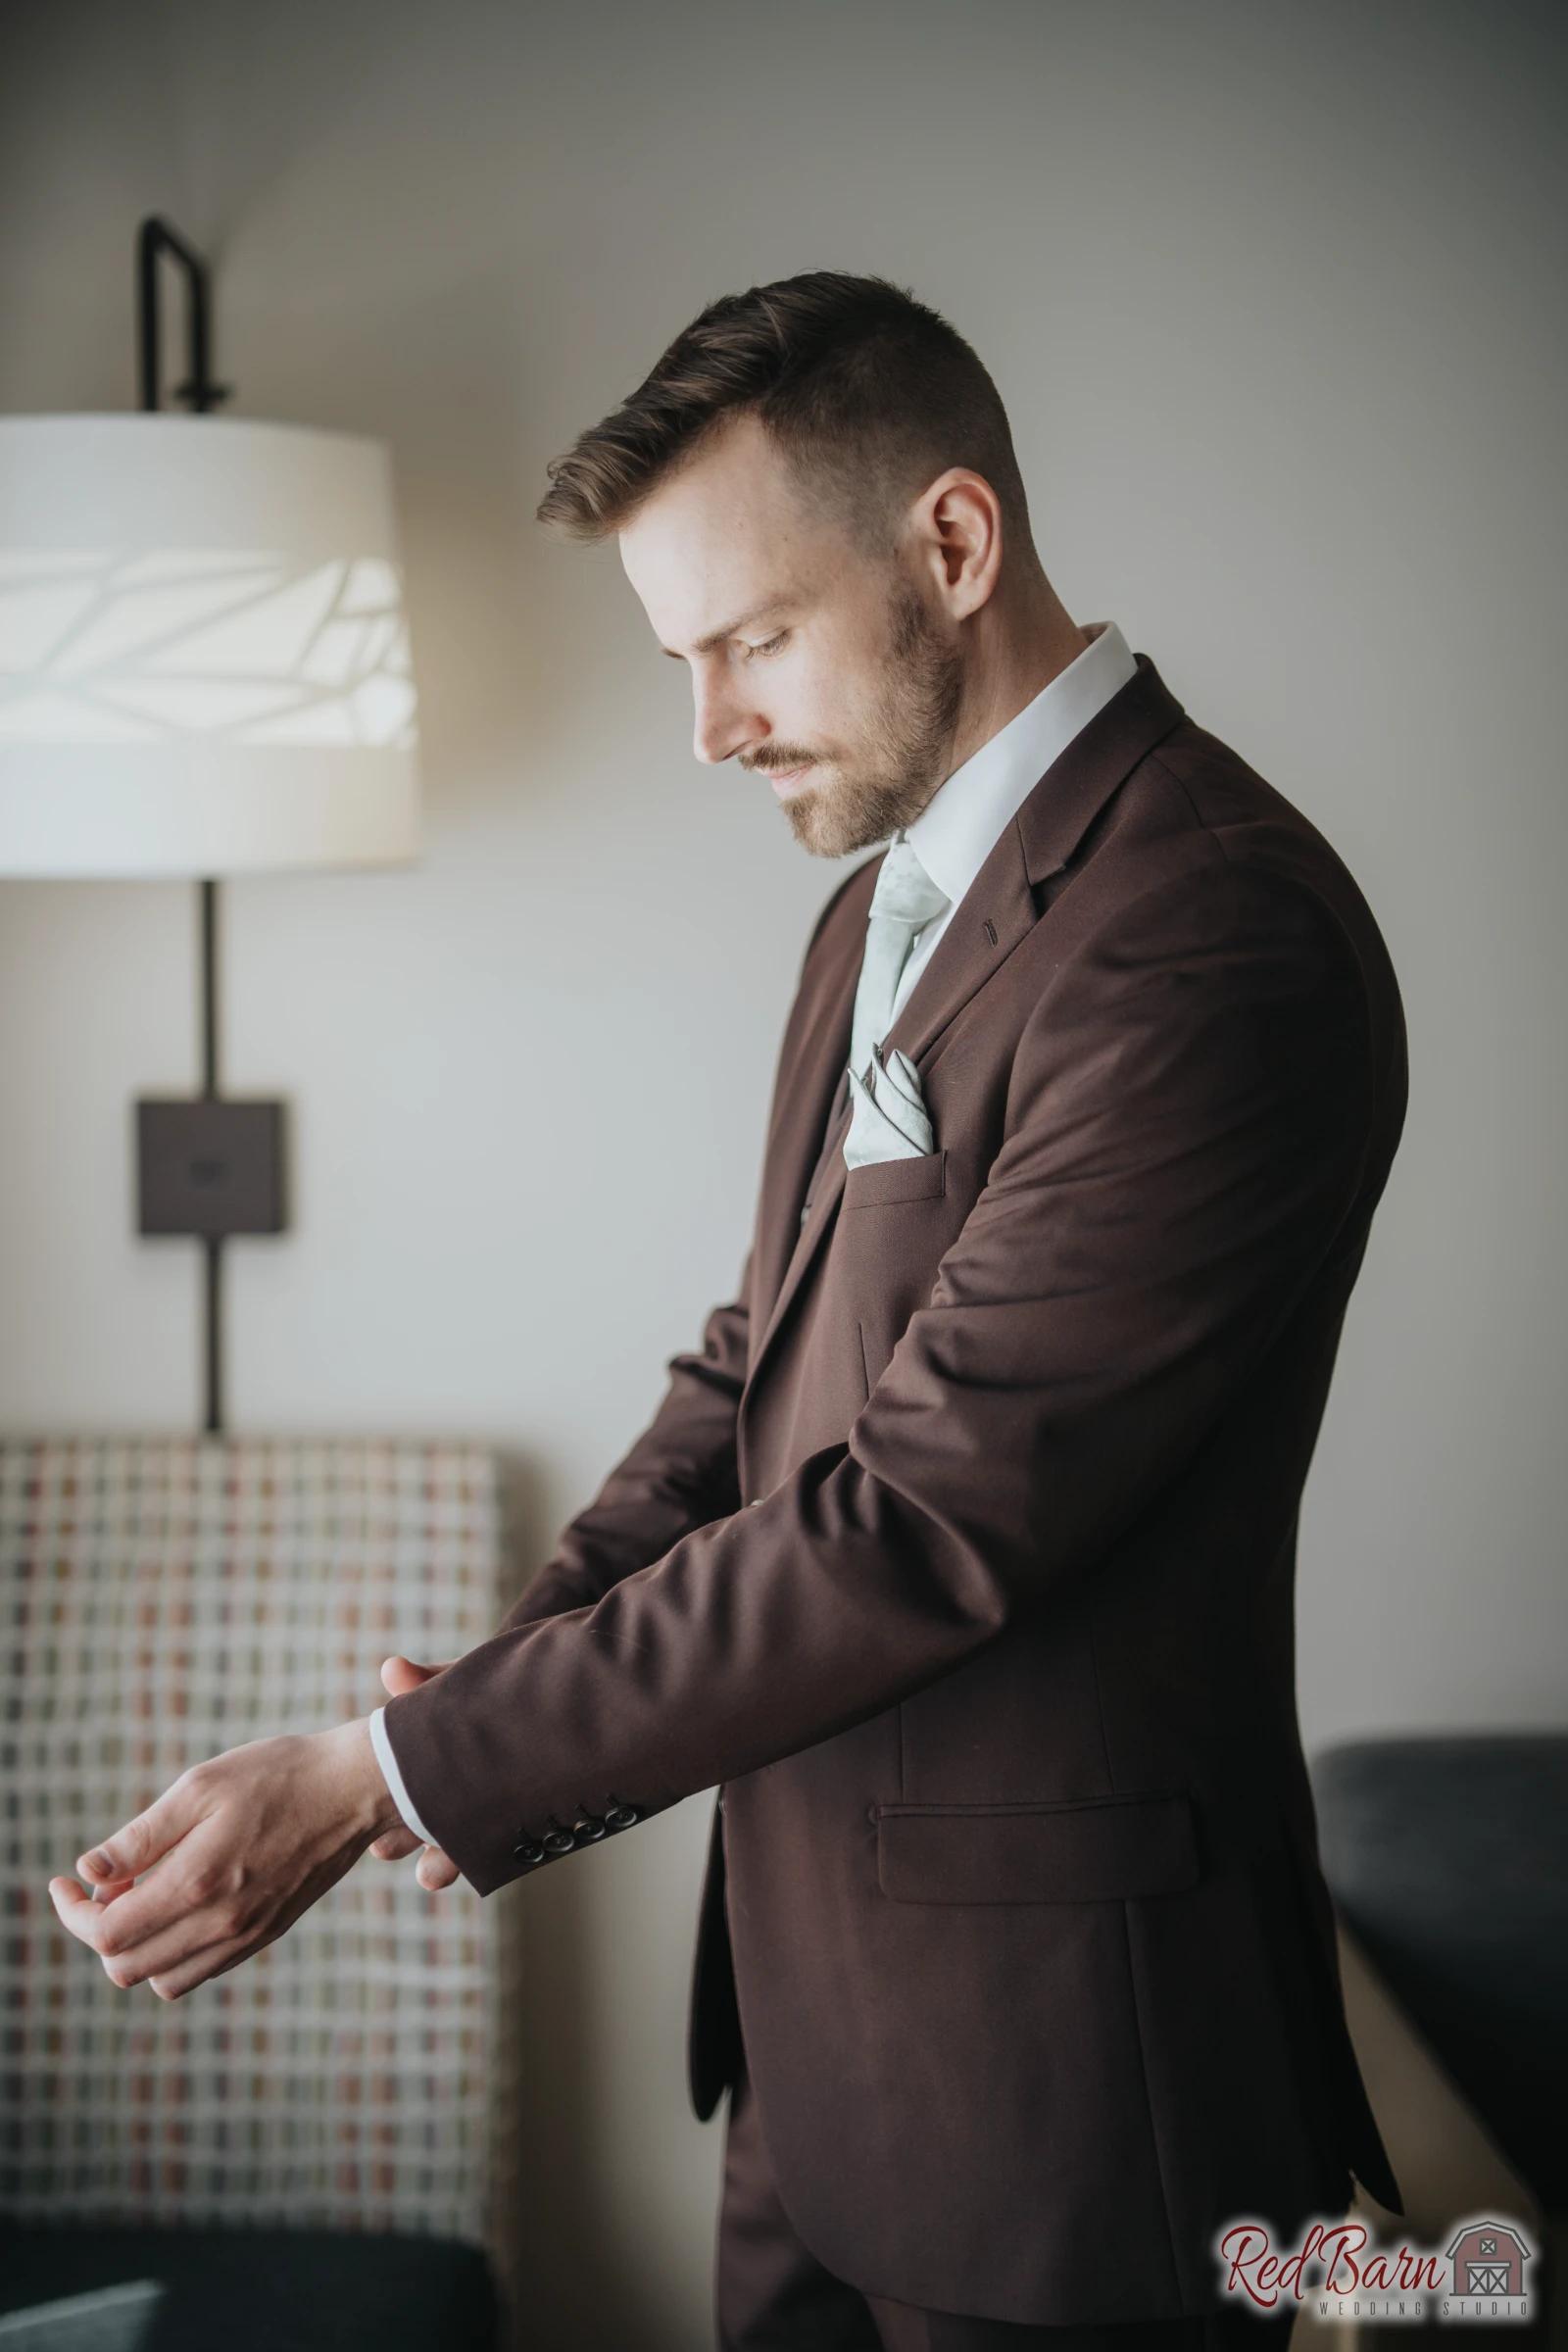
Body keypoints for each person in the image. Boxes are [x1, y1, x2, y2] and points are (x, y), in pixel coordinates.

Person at [52, 270, 1407, 2350]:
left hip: (1061, 2106)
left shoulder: (1206, 929)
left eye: (752, 640)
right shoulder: (870, 903)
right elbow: (753, 1370)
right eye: (683, 658)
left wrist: (390, 1775)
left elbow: (925, 1514)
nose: (709, 726)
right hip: (805, 2053)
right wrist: (490, 1689)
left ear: (950, 547)